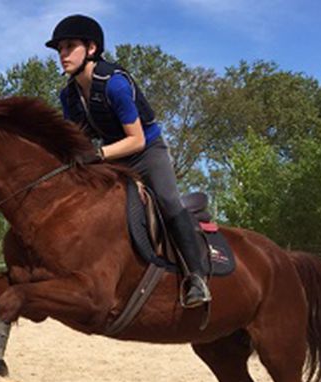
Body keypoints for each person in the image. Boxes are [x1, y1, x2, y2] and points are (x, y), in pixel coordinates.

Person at [46, 14, 211, 308]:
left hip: (147, 152)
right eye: (59, 49)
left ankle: (196, 278)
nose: (62, 54)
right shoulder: (68, 95)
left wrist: (97, 155)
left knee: (168, 201)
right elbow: (76, 141)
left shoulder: (114, 84)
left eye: (69, 46)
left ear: (91, 49)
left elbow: (137, 140)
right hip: (111, 154)